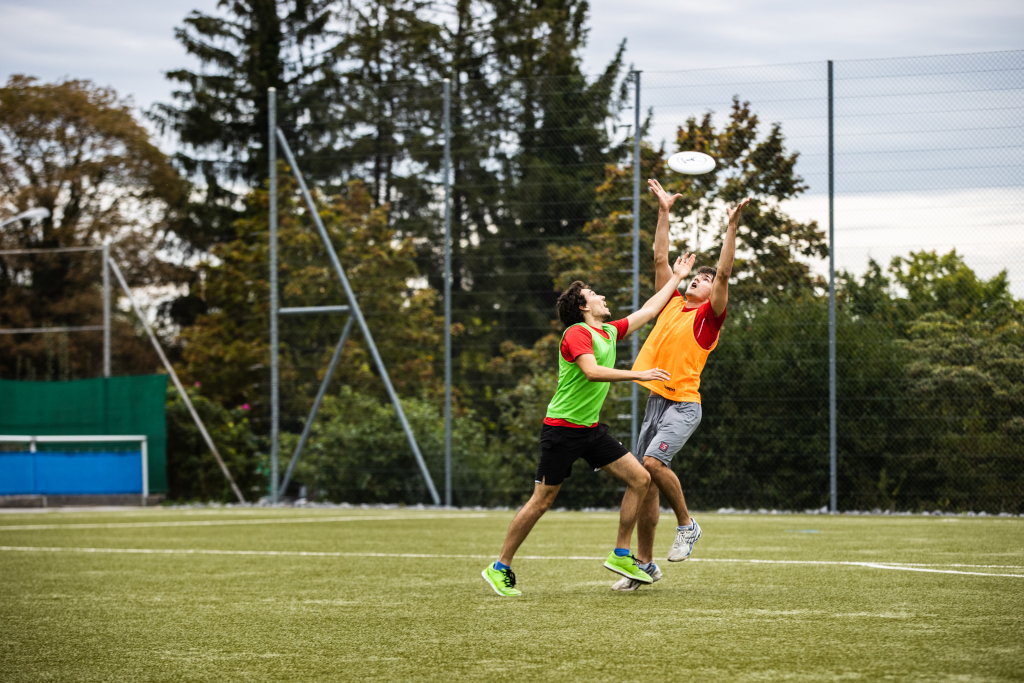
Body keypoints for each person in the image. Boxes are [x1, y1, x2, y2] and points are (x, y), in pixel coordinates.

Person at [482, 254, 697, 597]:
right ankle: (500, 567)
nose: (603, 298)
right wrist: (639, 374)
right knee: (542, 500)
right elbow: (592, 371)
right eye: (595, 294)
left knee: (641, 478)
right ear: (583, 306)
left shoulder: (609, 332)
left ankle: (621, 554)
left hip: (591, 430)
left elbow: (651, 309)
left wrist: (679, 277)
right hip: (562, 430)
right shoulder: (577, 334)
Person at [610, 179, 750, 591]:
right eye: (697, 277)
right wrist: (664, 211)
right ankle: (645, 565)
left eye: (704, 280)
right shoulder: (671, 302)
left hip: (684, 404)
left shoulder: (709, 316)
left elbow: (724, 271)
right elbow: (659, 258)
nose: (699, 280)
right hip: (657, 401)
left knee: (653, 464)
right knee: (644, 481)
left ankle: (688, 525)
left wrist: (731, 226)